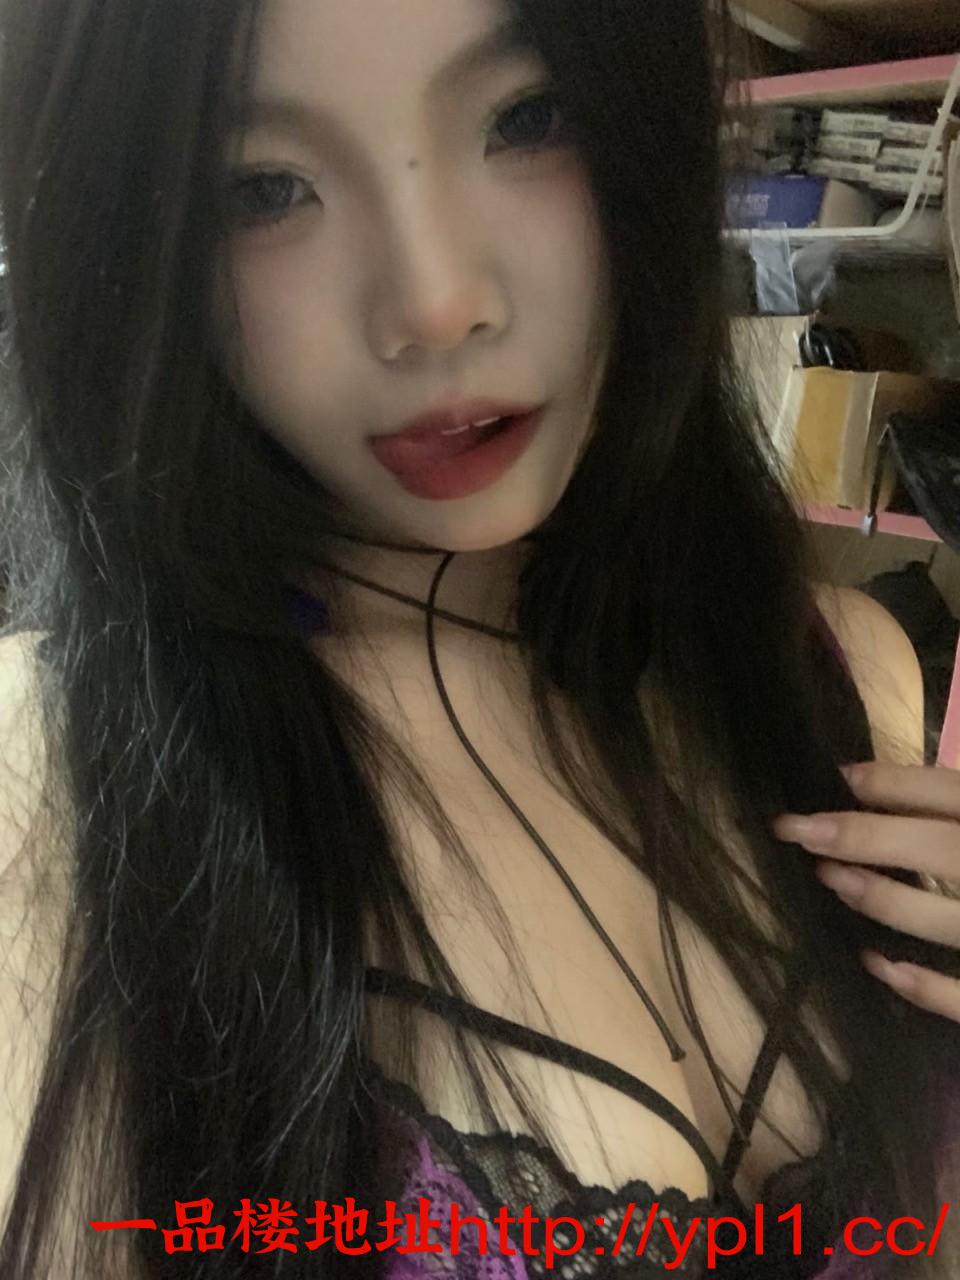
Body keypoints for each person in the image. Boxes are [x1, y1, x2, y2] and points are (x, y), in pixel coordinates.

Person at [0, 0, 958, 1277]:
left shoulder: (840, 673)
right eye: (262, 189)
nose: (437, 304)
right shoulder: (52, 789)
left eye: (527, 118)